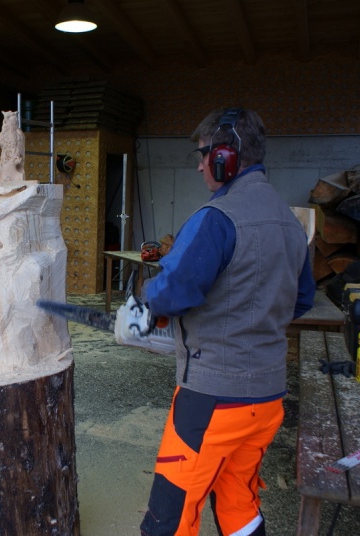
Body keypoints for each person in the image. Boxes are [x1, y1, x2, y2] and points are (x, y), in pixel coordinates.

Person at [139, 108, 316, 536]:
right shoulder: (290, 223)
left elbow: (171, 292)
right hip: (267, 399)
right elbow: (302, 299)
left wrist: (145, 299)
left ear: (225, 158)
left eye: (203, 155)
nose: (199, 166)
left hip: (212, 399)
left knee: (170, 514)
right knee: (238, 498)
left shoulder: (217, 219)